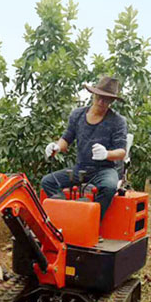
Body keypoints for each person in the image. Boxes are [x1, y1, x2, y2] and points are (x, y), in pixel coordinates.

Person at [42, 76, 128, 220]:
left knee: (109, 187)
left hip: (104, 170)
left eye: (106, 99)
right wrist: (56, 147)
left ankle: (92, 223)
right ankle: (68, 215)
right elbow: (66, 138)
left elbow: (121, 152)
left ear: (112, 101)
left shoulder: (118, 121)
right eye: (99, 97)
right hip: (80, 168)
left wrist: (106, 154)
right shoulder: (78, 114)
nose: (101, 102)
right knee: (48, 182)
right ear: (94, 94)